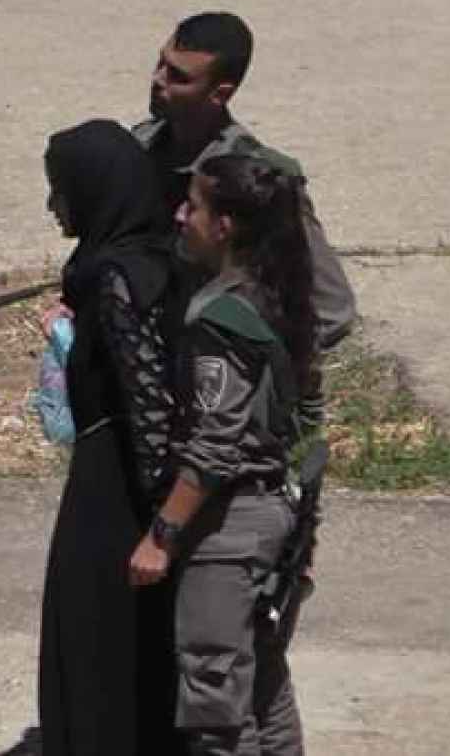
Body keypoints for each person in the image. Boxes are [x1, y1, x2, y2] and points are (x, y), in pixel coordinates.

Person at [129, 155, 315, 756]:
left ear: (225, 226)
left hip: (229, 528)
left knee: (215, 705)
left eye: (194, 206)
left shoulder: (222, 318)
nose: (181, 216)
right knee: (262, 685)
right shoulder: (278, 296)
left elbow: (215, 440)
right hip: (274, 513)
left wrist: (162, 535)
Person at [37, 119, 181, 756]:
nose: (53, 205)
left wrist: (161, 523)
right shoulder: (145, 260)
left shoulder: (118, 278)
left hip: (117, 488)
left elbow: (146, 403)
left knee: (97, 642)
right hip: (122, 480)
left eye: (61, 189)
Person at [134, 11, 356, 361]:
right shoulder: (140, 148)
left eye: (179, 77)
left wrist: (256, 364)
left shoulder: (254, 179)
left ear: (219, 94)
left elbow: (333, 309)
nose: (158, 80)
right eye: (161, 63)